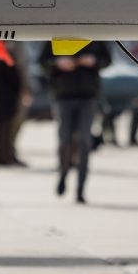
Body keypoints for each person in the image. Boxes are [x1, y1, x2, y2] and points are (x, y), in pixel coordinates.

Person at [39, 41, 111, 203]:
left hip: (88, 95)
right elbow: (43, 61)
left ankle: (80, 189)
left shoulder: (95, 35)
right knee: (65, 140)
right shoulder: (57, 35)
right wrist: (57, 63)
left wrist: (94, 61)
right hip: (63, 95)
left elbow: (107, 59)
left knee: (85, 141)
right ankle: (63, 174)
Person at [0, 41, 31, 167]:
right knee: (6, 130)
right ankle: (6, 157)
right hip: (7, 101)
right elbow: (15, 78)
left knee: (1, 130)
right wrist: (22, 90)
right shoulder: (4, 60)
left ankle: (3, 157)